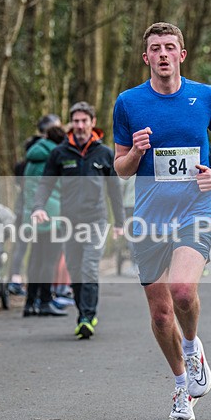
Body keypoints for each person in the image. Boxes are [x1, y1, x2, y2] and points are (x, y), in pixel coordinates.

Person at [112, 22, 211, 420]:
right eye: (155, 48)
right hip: (149, 217)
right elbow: (120, 169)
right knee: (160, 313)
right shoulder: (128, 103)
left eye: (170, 47)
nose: (163, 54)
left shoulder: (205, 96)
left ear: (181, 55)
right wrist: (135, 151)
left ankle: (191, 346)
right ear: (146, 57)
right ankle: (182, 387)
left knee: (183, 292)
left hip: (195, 209)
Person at [32, 101, 125, 338]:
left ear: (93, 123)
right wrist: (38, 207)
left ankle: (86, 316)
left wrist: (120, 223)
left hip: (96, 220)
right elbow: (45, 183)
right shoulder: (59, 153)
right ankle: (83, 311)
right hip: (69, 222)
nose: (80, 125)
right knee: (74, 270)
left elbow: (114, 190)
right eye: (76, 121)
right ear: (70, 124)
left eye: (84, 121)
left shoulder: (104, 153)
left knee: (89, 268)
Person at [9, 114, 62, 296]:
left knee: (26, 247)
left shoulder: (30, 150)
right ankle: (44, 295)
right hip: (43, 206)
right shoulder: (53, 151)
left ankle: (17, 281)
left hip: (25, 203)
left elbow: (19, 174)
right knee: (43, 253)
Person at [22, 125, 67, 317]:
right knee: (49, 259)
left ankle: (30, 302)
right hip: (52, 212)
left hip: (32, 212)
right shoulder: (55, 156)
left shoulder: (32, 157)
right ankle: (46, 300)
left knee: (35, 258)